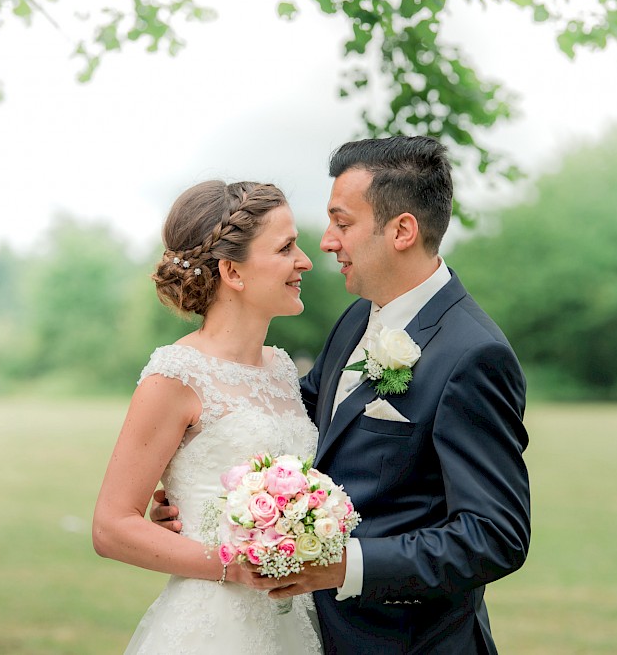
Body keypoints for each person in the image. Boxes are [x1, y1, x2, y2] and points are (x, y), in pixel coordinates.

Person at [154, 136, 531, 654]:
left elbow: (493, 536)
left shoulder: (472, 354)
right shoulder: (357, 318)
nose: (327, 242)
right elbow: (287, 426)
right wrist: (208, 509)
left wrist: (345, 565)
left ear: (401, 230)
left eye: (342, 222)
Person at [92, 180, 322, 654]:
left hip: (295, 619)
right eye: (286, 248)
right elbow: (112, 525)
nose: (305, 261)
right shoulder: (176, 374)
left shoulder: (281, 370)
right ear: (232, 272)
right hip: (213, 626)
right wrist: (231, 563)